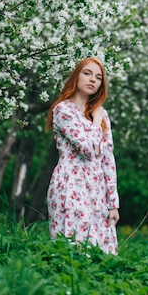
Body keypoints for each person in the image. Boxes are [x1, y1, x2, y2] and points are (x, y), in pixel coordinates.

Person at [45, 57, 120, 254]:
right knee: (74, 247)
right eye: (87, 73)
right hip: (71, 182)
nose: (92, 80)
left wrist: (113, 203)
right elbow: (87, 149)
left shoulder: (101, 115)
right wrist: (96, 121)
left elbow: (107, 159)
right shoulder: (63, 110)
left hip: (97, 189)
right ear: (76, 76)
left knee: (102, 252)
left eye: (98, 77)